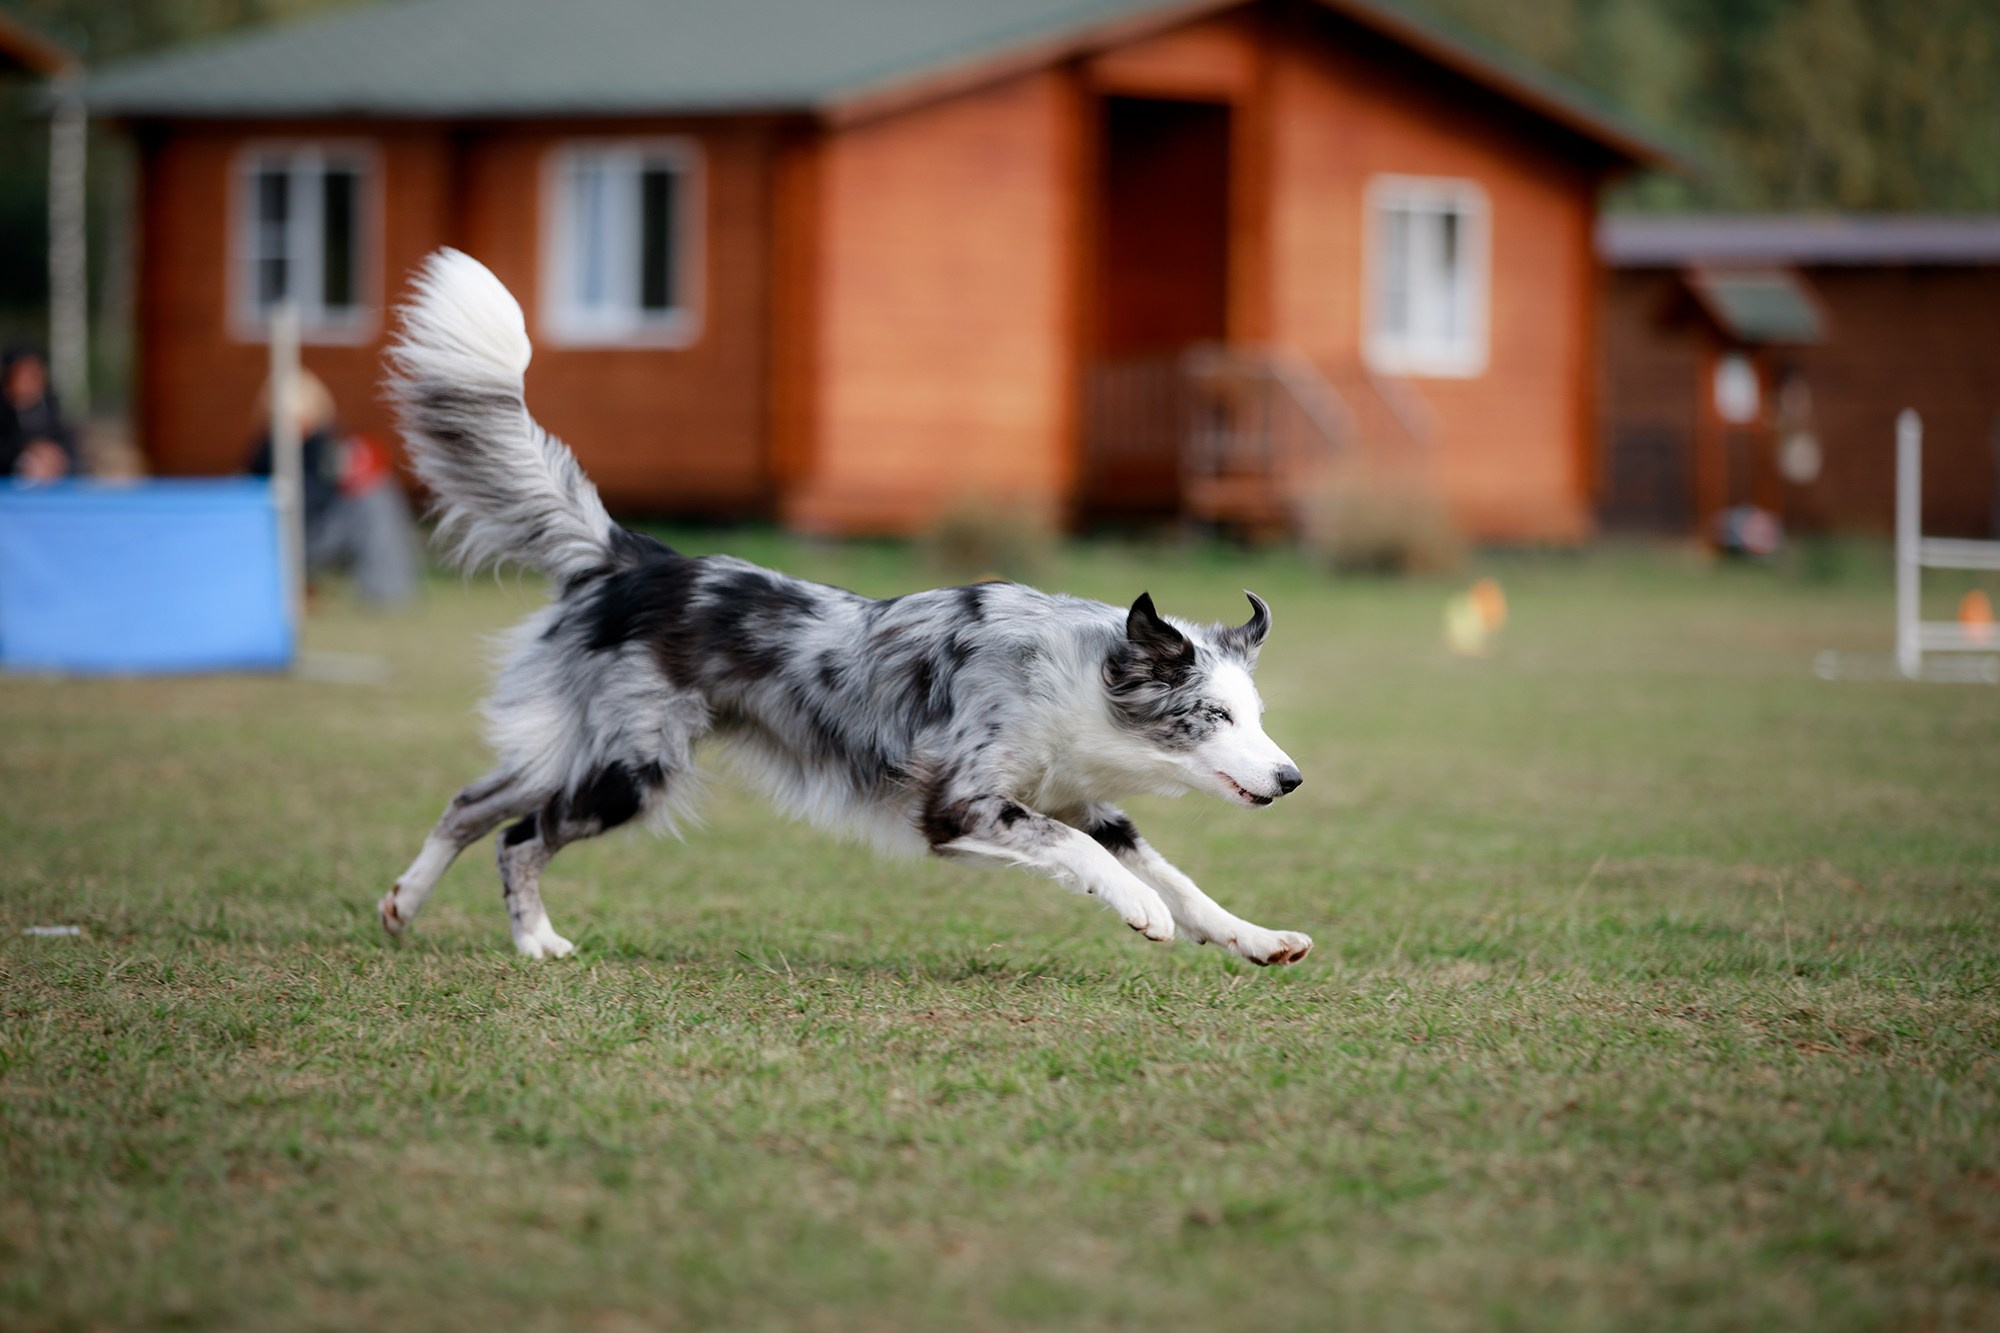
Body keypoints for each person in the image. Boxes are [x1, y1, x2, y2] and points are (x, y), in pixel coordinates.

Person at [247, 369, 421, 607]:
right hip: (286, 537)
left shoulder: (327, 445)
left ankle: (388, 591)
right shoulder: (266, 454)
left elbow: (324, 492)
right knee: (376, 499)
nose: (295, 426)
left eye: (301, 417)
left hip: (323, 527)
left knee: (378, 493)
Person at [0, 346, 80, 482]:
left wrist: (57, 458)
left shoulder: (53, 410)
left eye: (36, 374)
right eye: (24, 374)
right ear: (8, 379)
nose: (32, 381)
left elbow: (73, 451)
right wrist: (25, 457)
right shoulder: (4, 415)